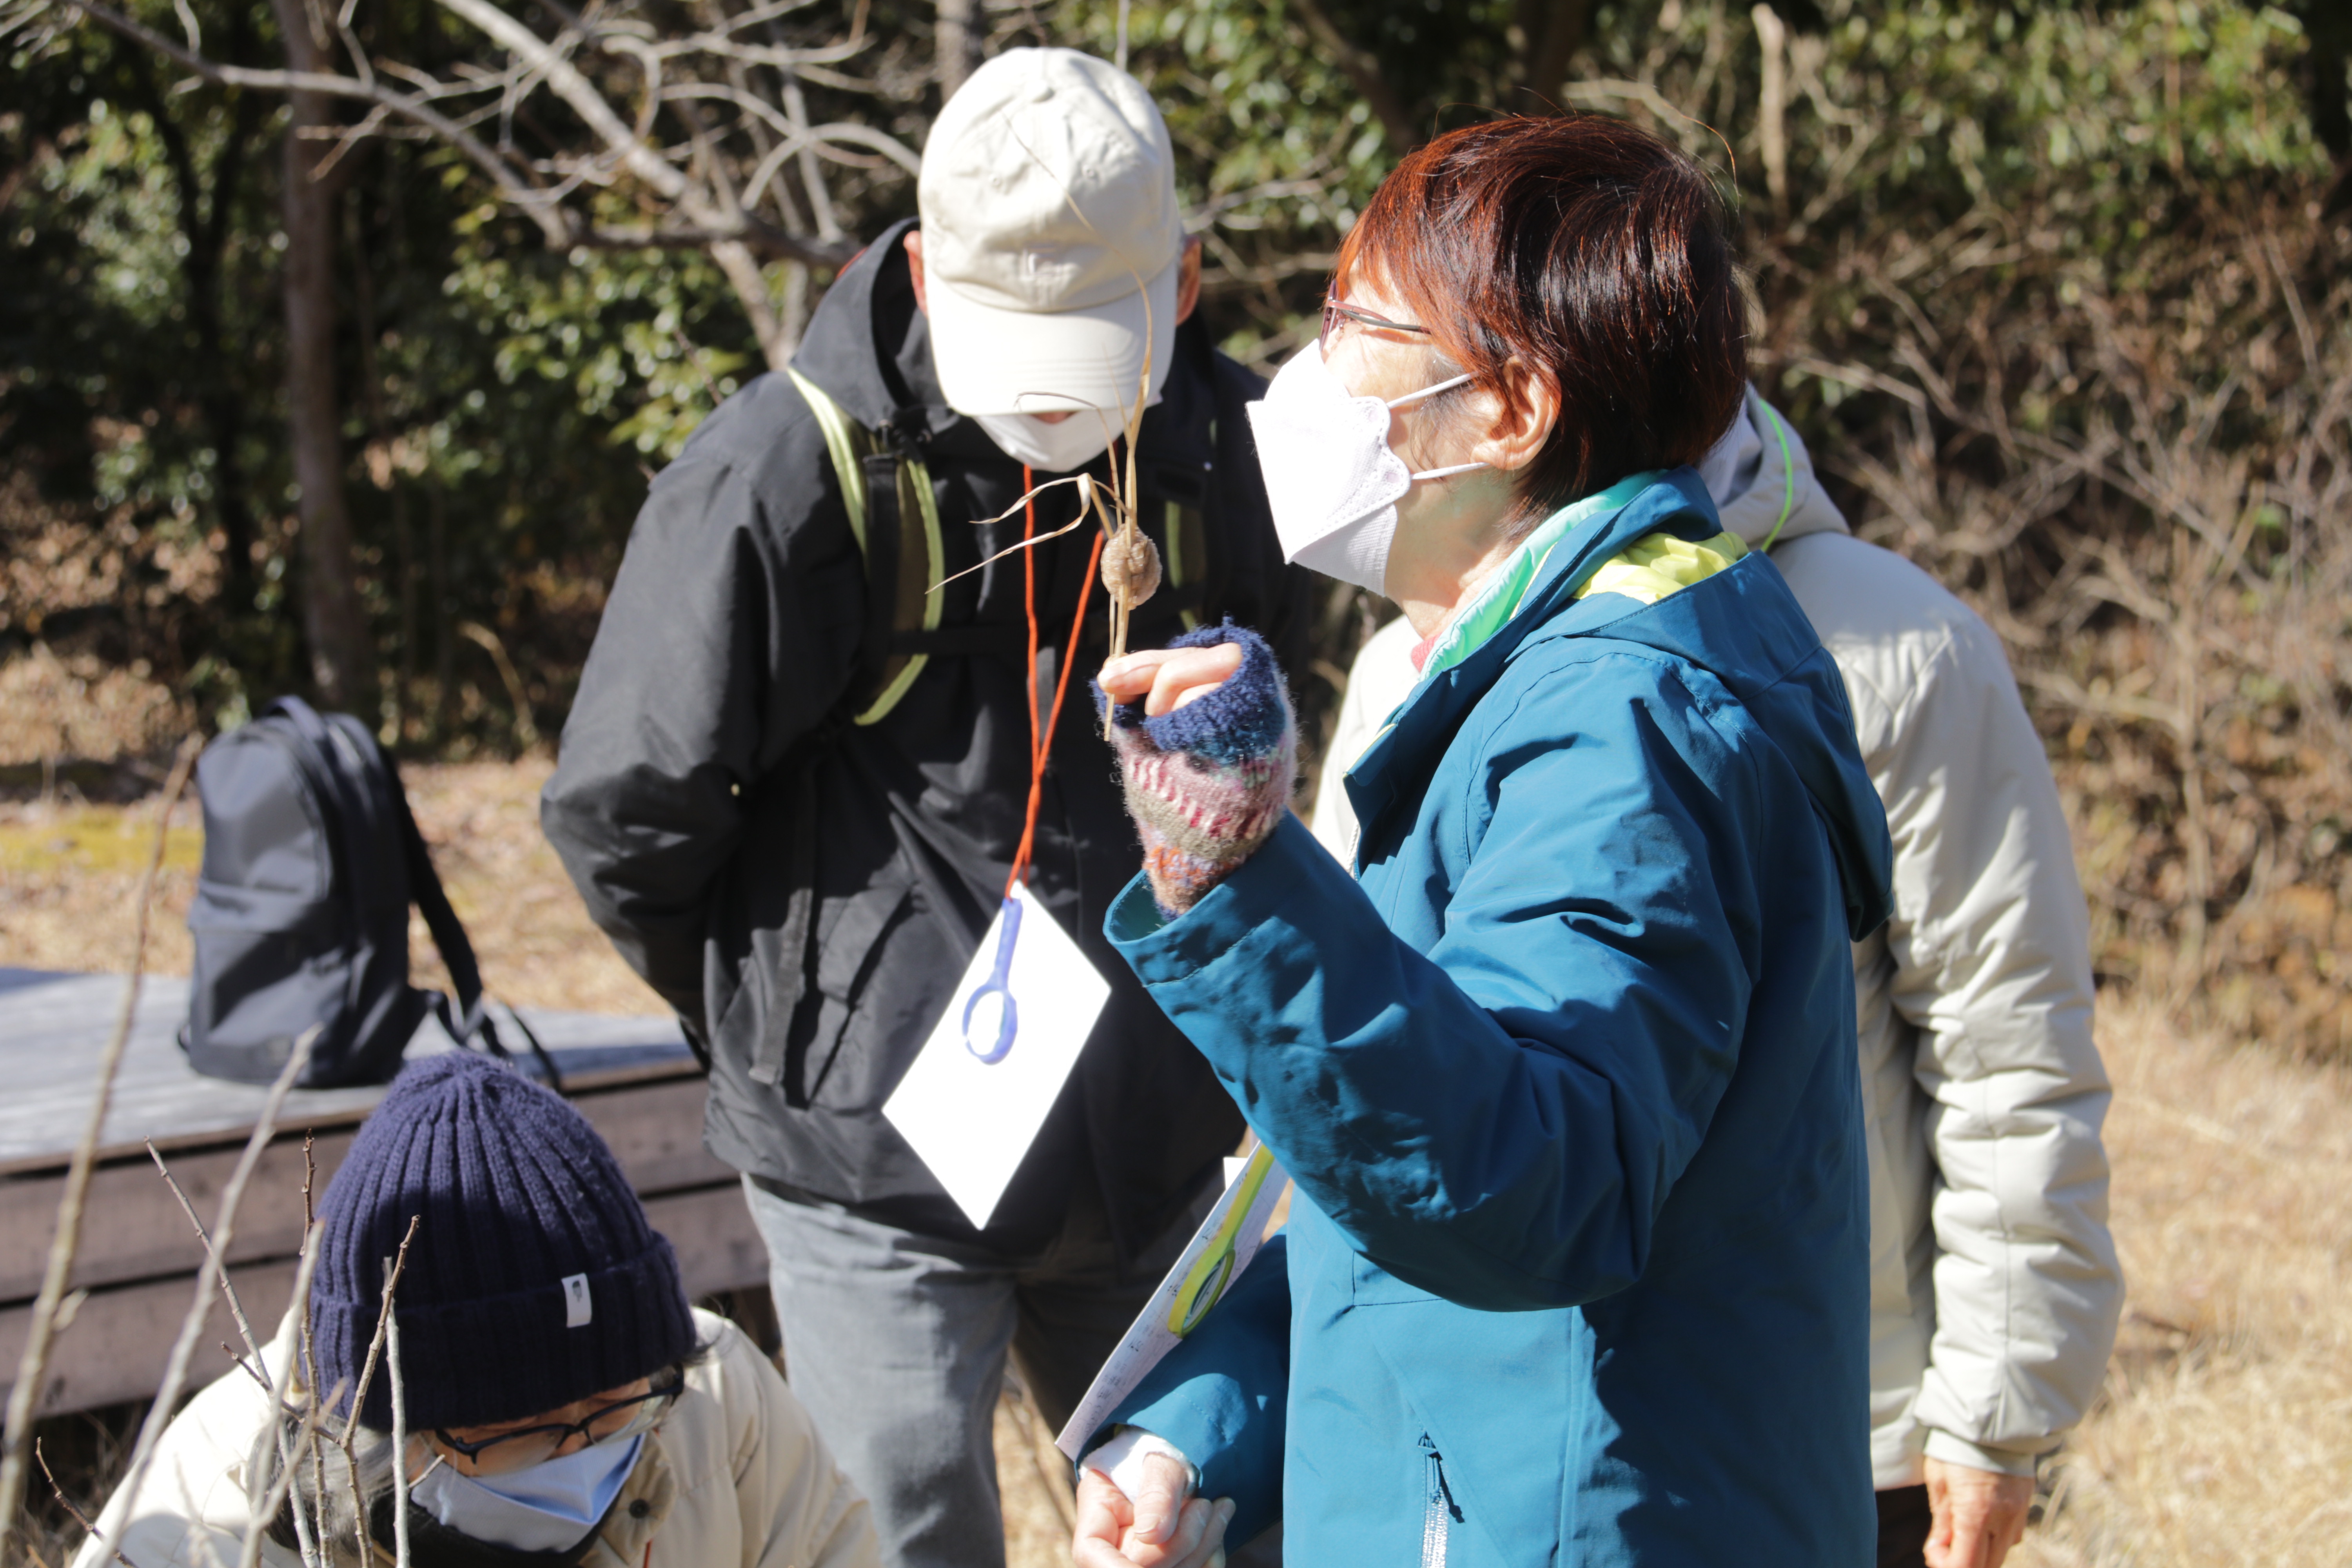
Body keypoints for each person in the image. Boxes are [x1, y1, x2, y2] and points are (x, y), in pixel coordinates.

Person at [1071, 114, 1895, 1566]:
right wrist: (1208, 1423)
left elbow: (1531, 1185)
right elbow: (1417, 1164)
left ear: (1510, 407)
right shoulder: (1548, 665)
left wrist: (1239, 871)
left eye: (1353, 325)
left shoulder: (1620, 718)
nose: (1310, 371)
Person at [538, 47, 1307, 1568]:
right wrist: (792, 1023)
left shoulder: (1236, 453)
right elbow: (627, 810)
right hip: (870, 1176)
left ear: (1189, 285)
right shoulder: (788, 470)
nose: (1050, 402)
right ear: (921, 270)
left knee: (1218, 1534)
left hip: (1156, 1148)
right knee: (884, 1544)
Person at [1312, 386, 2124, 1568]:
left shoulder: (1888, 639)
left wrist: (1998, 1406)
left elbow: (2004, 1038)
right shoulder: (1412, 661)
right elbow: (1354, 1060)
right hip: (1498, 1421)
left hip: (1843, 1422)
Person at [72, 1051, 877, 1568]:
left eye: (610, 1402)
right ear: (389, 1420)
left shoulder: (715, 1396)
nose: (583, 1451)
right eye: (521, 1425)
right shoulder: (200, 1533)